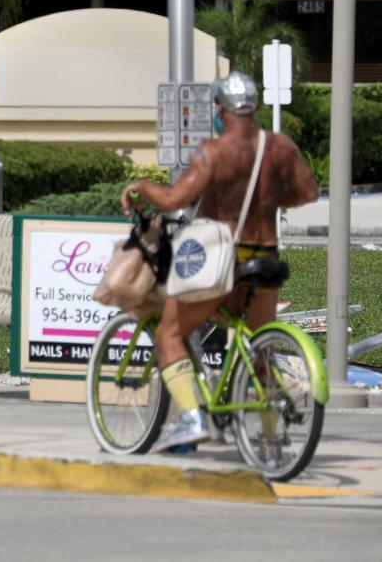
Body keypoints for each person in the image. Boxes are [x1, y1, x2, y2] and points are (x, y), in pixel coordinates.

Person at [120, 71, 319, 453]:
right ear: (255, 108)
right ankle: (271, 440)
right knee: (261, 347)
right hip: (266, 261)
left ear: (222, 109)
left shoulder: (213, 152)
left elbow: (175, 199)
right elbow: (308, 191)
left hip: (224, 261)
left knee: (170, 334)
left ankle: (192, 420)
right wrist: (270, 200)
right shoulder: (280, 147)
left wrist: (141, 186)